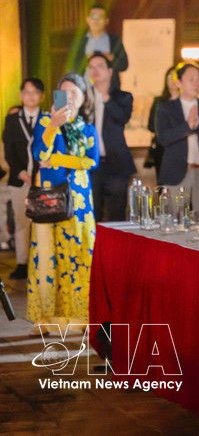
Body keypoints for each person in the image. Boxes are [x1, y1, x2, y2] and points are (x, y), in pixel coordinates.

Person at [28, 73, 100, 328]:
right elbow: (39, 153)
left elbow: (92, 161)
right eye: (64, 93)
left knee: (81, 254)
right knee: (48, 256)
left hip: (80, 201)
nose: (69, 98)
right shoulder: (46, 121)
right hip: (50, 197)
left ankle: (80, 316)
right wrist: (51, 128)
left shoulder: (87, 128)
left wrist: (58, 159)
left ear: (82, 100)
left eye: (74, 94)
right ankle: (48, 319)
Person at [155, 63, 199, 217]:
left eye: (198, 79)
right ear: (178, 82)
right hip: (175, 172)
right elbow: (163, 138)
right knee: (175, 219)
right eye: (190, 79)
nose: (196, 83)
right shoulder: (166, 108)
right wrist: (187, 127)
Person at [3, 78, 44, 280]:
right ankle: (22, 262)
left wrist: (37, 175)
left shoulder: (47, 119)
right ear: (21, 95)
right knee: (21, 222)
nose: (30, 96)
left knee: (42, 221)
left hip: (43, 180)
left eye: (35, 92)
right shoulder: (12, 120)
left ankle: (41, 262)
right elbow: (9, 150)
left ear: (41, 96)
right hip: (19, 179)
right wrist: (21, 172)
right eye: (26, 92)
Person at [87, 52, 136, 222]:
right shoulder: (83, 98)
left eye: (99, 66)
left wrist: (104, 96)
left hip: (116, 165)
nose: (95, 71)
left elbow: (122, 117)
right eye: (91, 67)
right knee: (92, 215)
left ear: (109, 71)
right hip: (90, 165)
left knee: (117, 215)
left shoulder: (123, 97)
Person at [72, 4, 129, 90]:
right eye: (93, 16)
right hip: (87, 92)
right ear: (87, 20)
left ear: (106, 21)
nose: (96, 20)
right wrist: (86, 60)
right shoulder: (80, 42)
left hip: (109, 93)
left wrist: (112, 58)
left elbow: (124, 65)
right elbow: (72, 67)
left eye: (100, 17)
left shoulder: (114, 41)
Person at [146, 66, 179, 178]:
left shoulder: (188, 102)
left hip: (182, 148)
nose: (173, 80)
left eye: (176, 76)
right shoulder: (159, 102)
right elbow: (150, 126)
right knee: (164, 185)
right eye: (170, 76)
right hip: (162, 148)